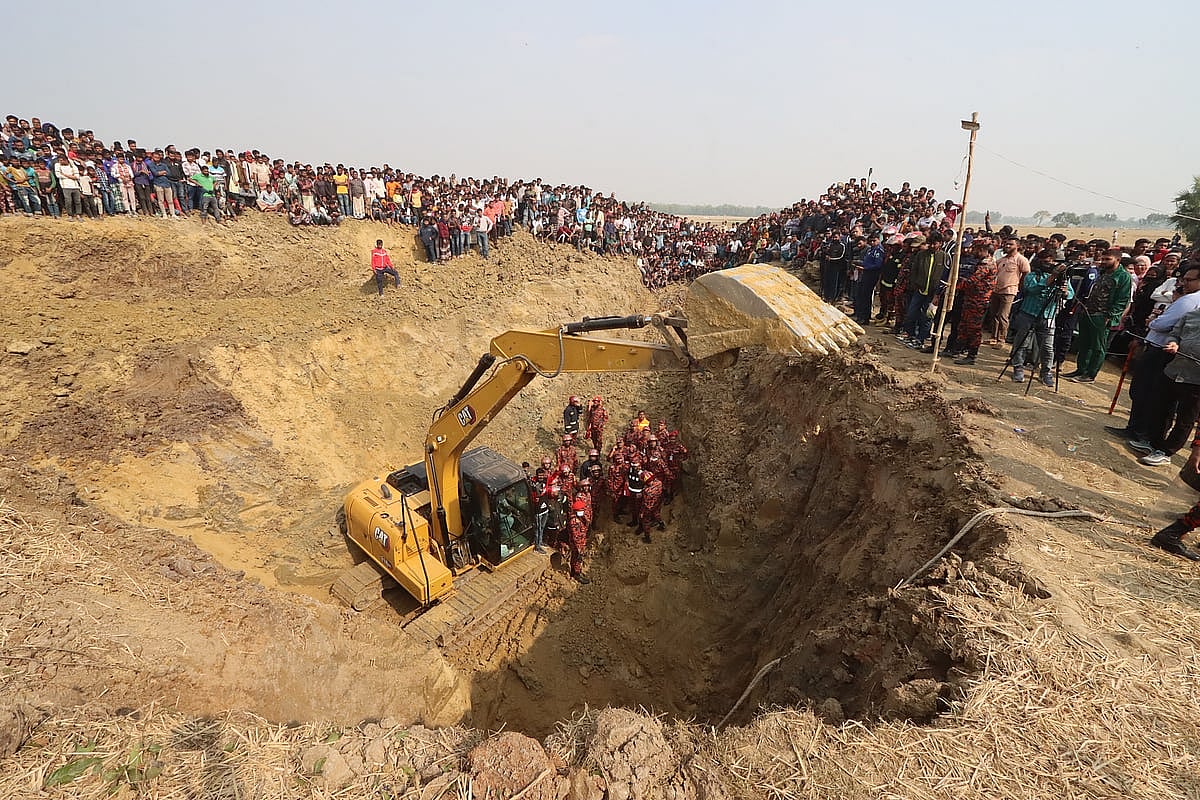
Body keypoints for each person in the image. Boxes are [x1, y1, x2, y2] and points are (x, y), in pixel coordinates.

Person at [1109, 266, 1200, 443]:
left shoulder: (1189, 301)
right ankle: (1139, 430)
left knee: (1145, 390)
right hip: (1165, 349)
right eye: (1184, 279)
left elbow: (1163, 324)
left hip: (1161, 349)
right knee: (1149, 392)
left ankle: (1138, 431)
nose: (1183, 283)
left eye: (1189, 280)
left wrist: (1153, 322)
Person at [1131, 308, 1200, 467]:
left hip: (1196, 380)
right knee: (1159, 407)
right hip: (1173, 370)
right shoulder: (1191, 314)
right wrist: (1173, 342)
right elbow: (1174, 333)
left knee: (1185, 418)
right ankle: (1154, 443)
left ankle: (1166, 452)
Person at [1066, 249, 1133, 383]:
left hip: (1102, 316)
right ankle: (1081, 370)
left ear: (1117, 260)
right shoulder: (1102, 272)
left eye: (1108, 259)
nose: (1103, 262)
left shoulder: (1123, 276)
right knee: (1084, 343)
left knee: (1097, 347)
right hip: (1088, 312)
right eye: (1103, 259)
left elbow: (1122, 300)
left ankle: (1090, 374)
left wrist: (1111, 315)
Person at [1008, 251, 1072, 386]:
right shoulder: (1032, 275)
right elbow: (1030, 289)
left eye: (1051, 261)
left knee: (1047, 347)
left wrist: (1065, 291)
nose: (1049, 264)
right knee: (1022, 343)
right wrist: (1051, 278)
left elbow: (1070, 294)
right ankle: (1018, 367)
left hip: (1048, 315)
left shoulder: (1063, 278)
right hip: (1028, 313)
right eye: (1045, 261)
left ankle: (1045, 372)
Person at [982, 238, 1031, 346]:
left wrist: (1020, 286)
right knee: (994, 314)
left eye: (1010, 244)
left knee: (1003, 316)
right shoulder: (1002, 260)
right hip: (996, 290)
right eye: (1006, 244)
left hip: (1009, 291)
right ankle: (993, 337)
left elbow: (1026, 273)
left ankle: (1001, 339)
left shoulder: (1021, 260)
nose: (1007, 246)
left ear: (1017, 246)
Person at [567, 497, 590, 583]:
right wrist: (579, 549)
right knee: (577, 558)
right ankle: (577, 573)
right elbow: (575, 537)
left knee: (575, 557)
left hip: (581, 541)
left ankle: (574, 571)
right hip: (577, 544)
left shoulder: (579, 517)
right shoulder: (574, 522)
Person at [637, 470, 664, 543]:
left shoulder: (647, 491)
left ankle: (647, 537)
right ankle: (662, 525)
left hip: (648, 507)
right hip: (657, 503)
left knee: (645, 521)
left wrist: (642, 512)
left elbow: (645, 503)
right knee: (656, 513)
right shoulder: (659, 483)